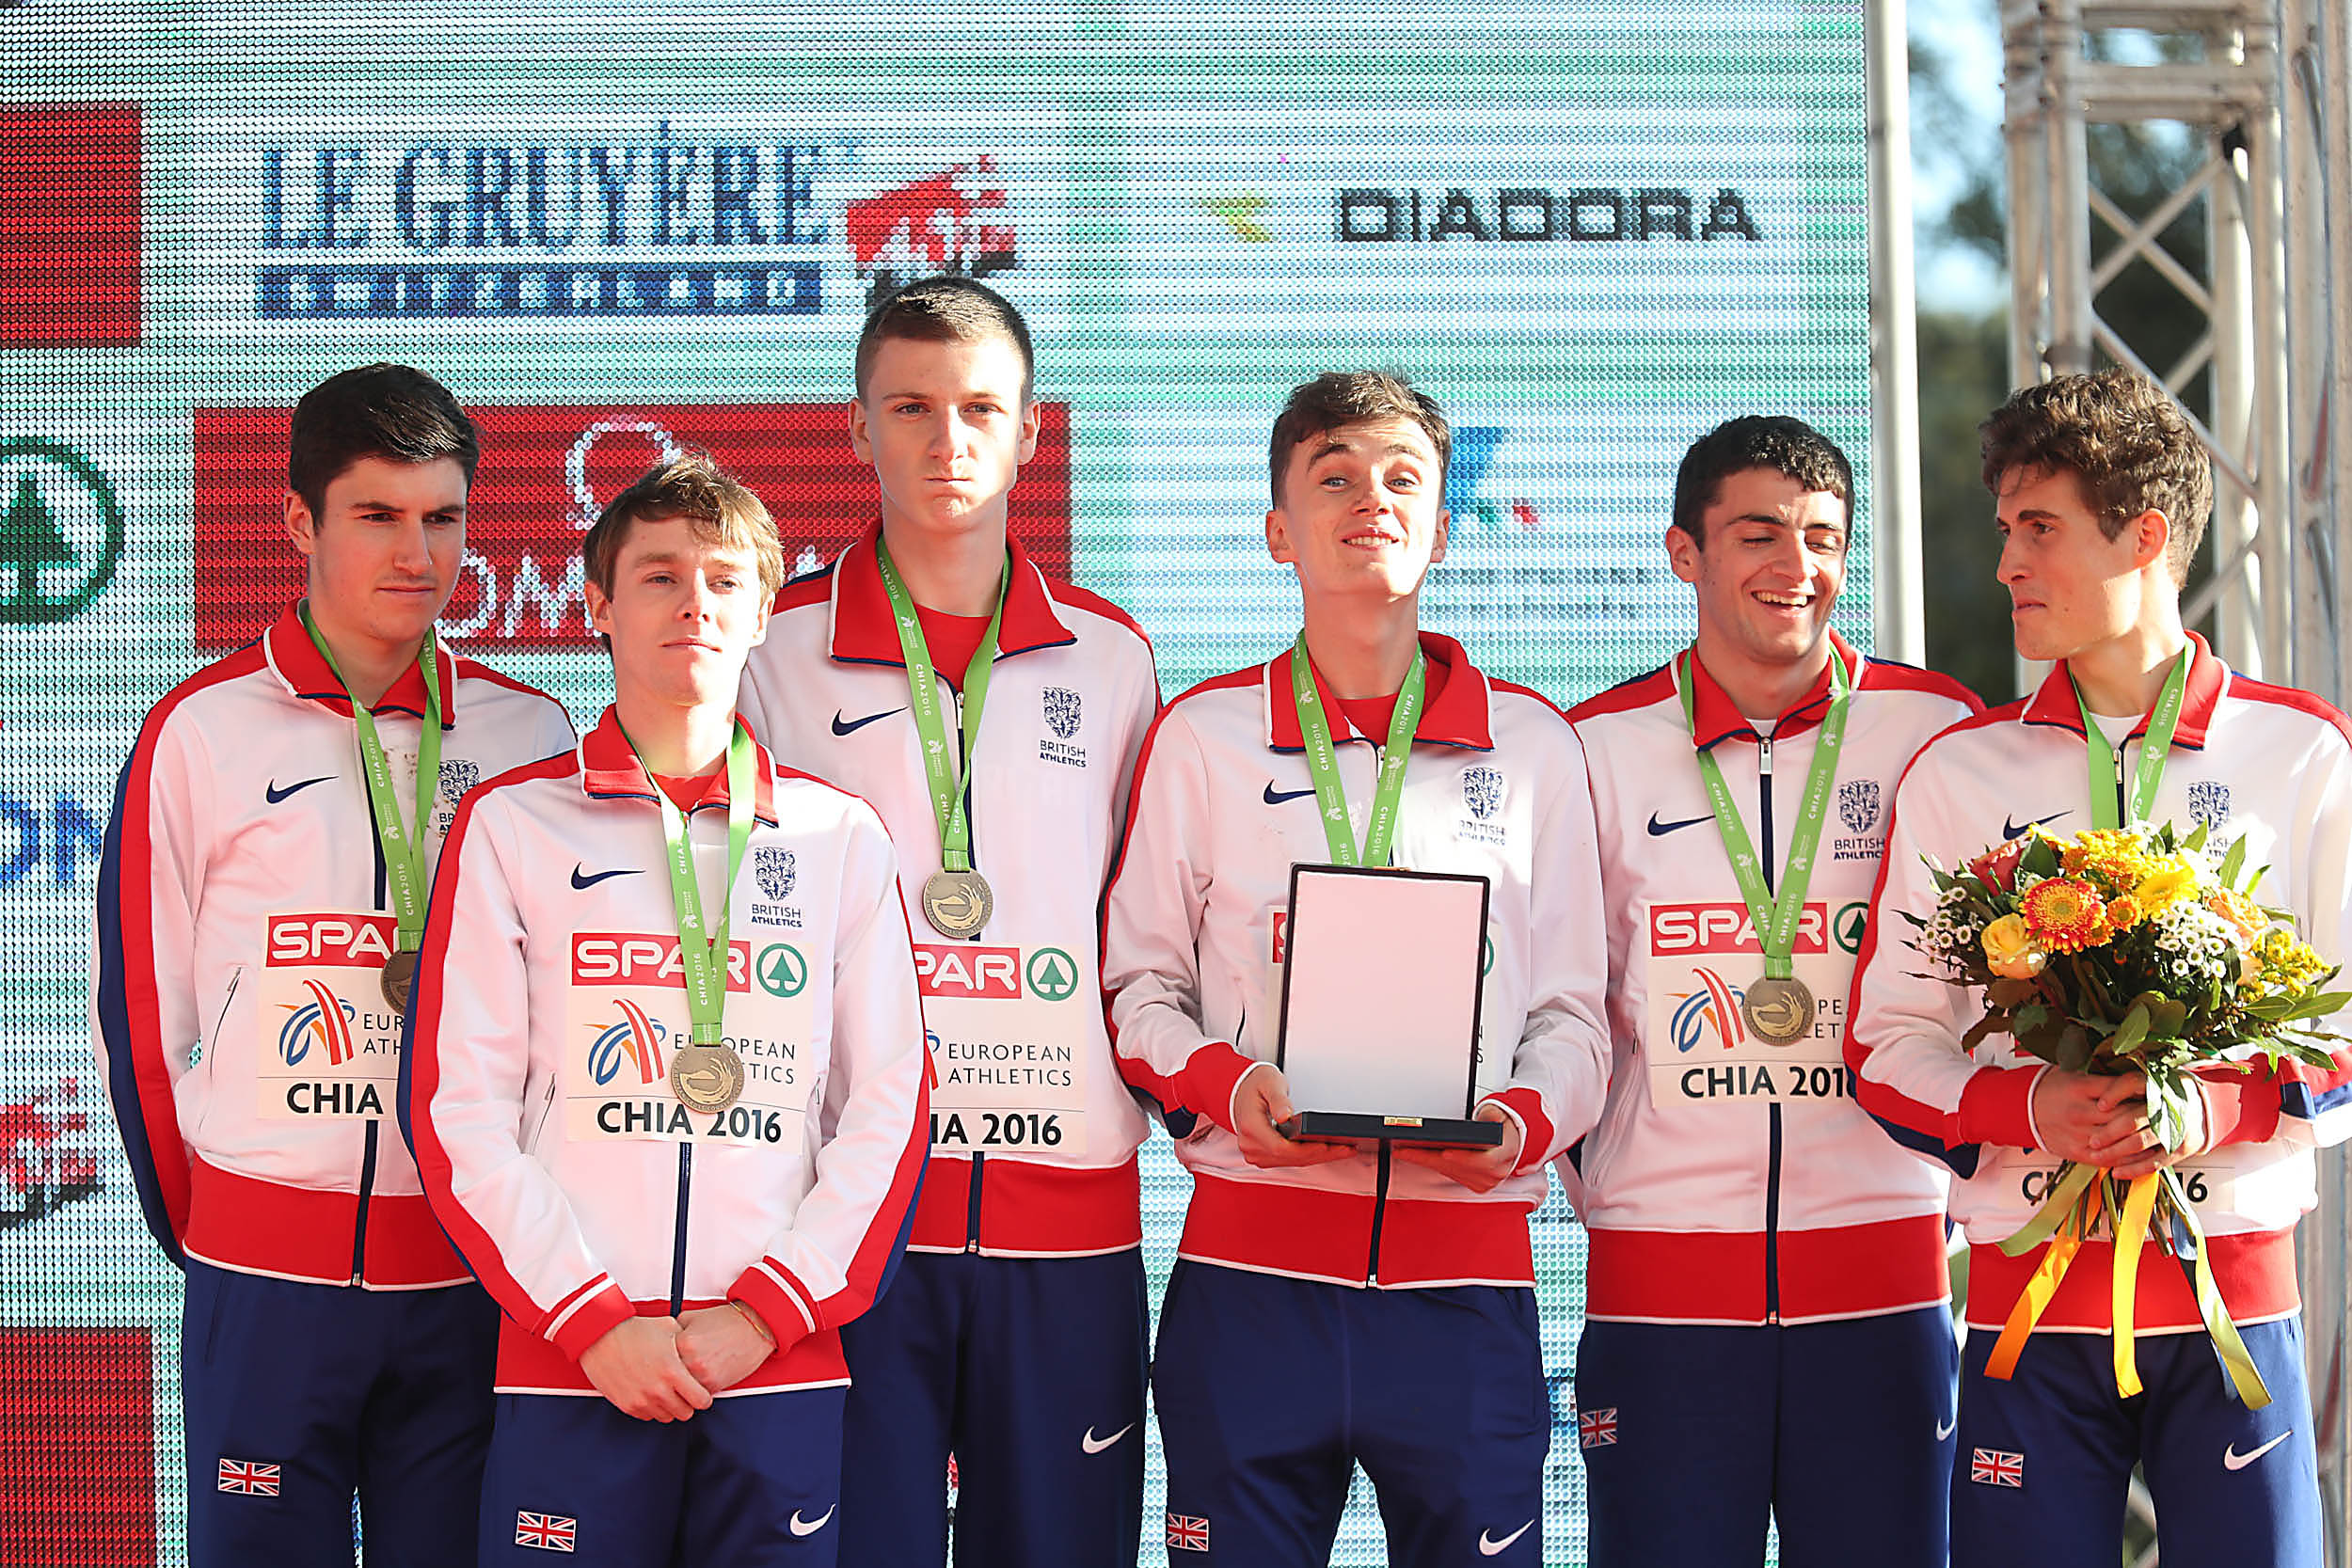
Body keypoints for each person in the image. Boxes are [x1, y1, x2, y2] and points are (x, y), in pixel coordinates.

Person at [1101, 370, 1610, 1566]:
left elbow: (1574, 1016)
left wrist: (1517, 1123)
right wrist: (1228, 1084)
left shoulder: (1534, 746)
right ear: (1278, 529)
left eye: (1401, 479)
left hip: (1464, 1290)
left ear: (1441, 525)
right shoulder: (1205, 736)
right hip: (1250, 1281)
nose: (1369, 500)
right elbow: (1137, 989)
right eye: (1332, 477)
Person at [1848, 367, 2352, 1568]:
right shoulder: (1960, 770)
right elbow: (1884, 1044)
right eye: (2003, 529)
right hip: (2027, 1306)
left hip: (2232, 1297)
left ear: (2145, 535)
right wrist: (2031, 1105)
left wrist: (2214, 1107)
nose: (2007, 563)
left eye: (2040, 527)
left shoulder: (2301, 751)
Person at [403, 454, 930, 1567]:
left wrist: (768, 1310)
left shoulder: (840, 835)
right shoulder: (512, 823)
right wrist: (591, 1318)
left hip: (775, 1358)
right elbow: (459, 1110)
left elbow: (888, 1104)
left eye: (725, 580)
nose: (695, 602)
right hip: (574, 1356)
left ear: (763, 614)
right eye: (659, 576)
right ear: (597, 605)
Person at [89, 364, 576, 1564]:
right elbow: (142, 1010)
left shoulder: (529, 732)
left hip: (464, 1275)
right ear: (300, 520)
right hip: (263, 1272)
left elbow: (558, 1018)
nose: (418, 553)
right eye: (377, 514)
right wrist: (216, 1222)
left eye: (442, 517)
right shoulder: (201, 728)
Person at [736, 276, 1160, 1567]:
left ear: (1030, 431)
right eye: (911, 406)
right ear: (857, 425)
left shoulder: (1111, 654)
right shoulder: (770, 646)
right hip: (850, 1213)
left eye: (980, 408)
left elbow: (1146, 924)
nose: (946, 439)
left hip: (1065, 1216)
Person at [1559, 416, 1979, 1565]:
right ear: (1683, 553)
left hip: (1885, 1276)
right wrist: (1612, 1182)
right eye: (1758, 534)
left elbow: (1986, 991)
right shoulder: (1592, 746)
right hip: (1661, 1283)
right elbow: (1562, 1006)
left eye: (1823, 537)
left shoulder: (1936, 730)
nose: (1797, 565)